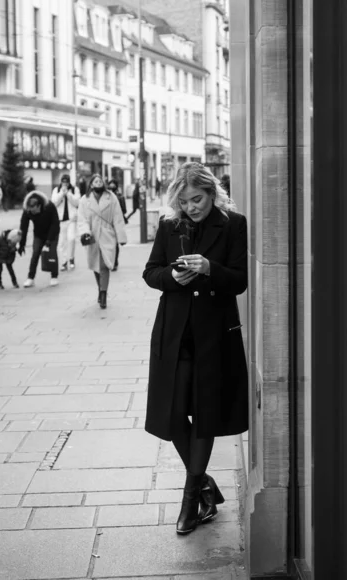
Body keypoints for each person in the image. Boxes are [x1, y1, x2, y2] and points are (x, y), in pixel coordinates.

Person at [142, 162, 248, 535]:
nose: (192, 207)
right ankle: (204, 484)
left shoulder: (234, 224)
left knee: (205, 413)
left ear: (211, 192)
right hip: (174, 333)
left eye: (198, 199)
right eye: (185, 201)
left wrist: (208, 269)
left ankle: (191, 500)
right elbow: (150, 271)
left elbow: (239, 281)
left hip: (214, 334)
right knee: (170, 415)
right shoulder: (169, 226)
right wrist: (171, 276)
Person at [78, 174, 127, 309]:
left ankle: (103, 293)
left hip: (107, 234)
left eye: (100, 181)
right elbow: (82, 219)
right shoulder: (85, 199)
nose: (98, 182)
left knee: (105, 265)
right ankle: (101, 289)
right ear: (91, 184)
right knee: (95, 265)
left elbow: (118, 217)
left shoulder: (111, 197)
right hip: (92, 235)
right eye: (95, 181)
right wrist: (85, 232)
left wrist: (121, 237)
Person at [18, 191, 60, 288]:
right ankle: (30, 278)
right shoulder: (27, 210)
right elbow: (23, 227)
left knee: (52, 253)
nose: (32, 212)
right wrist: (22, 244)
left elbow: (55, 224)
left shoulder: (49, 207)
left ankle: (54, 276)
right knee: (35, 253)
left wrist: (49, 241)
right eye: (30, 210)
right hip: (39, 234)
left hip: (52, 233)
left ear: (39, 206)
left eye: (34, 210)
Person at [52, 174, 80, 271]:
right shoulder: (56, 190)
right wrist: (61, 194)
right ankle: (64, 262)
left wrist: (68, 194)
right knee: (61, 242)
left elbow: (77, 202)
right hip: (60, 220)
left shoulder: (74, 189)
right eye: (63, 182)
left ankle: (71, 258)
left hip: (72, 219)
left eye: (66, 182)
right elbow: (54, 203)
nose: (65, 184)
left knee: (71, 238)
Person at [108, 179, 127, 271]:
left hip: (117, 223)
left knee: (115, 244)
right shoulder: (105, 197)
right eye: (110, 185)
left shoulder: (120, 196)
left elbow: (124, 210)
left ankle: (114, 262)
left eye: (113, 185)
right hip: (107, 223)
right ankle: (110, 261)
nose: (111, 187)